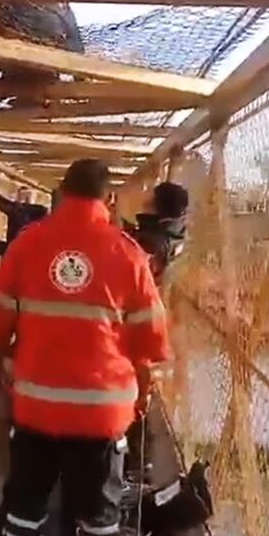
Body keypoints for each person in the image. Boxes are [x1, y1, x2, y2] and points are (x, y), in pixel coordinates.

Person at [0, 159, 171, 536]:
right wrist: (139, 395)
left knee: (25, 509)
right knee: (100, 517)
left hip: (35, 408)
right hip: (102, 414)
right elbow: (150, 343)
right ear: (110, 199)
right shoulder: (129, 254)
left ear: (62, 191)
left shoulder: (29, 243)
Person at [118, 181, 188, 483]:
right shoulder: (165, 235)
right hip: (147, 317)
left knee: (134, 393)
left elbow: (130, 274)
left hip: (135, 320)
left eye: (151, 197)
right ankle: (138, 465)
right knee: (139, 390)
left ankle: (136, 467)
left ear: (158, 206)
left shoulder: (151, 243)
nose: (144, 197)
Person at [0, 177, 48, 282]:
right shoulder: (28, 209)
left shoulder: (25, 211)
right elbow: (5, 202)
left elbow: (5, 205)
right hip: (20, 250)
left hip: (20, 251)